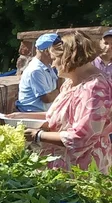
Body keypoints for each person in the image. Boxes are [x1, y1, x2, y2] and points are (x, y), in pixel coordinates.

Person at [13, 31, 112, 173]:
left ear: (68, 58)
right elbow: (59, 117)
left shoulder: (95, 88)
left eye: (54, 59)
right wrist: (19, 117)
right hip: (61, 164)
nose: (53, 65)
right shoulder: (71, 82)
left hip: (82, 168)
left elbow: (82, 137)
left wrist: (38, 136)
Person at [16, 33, 62, 111]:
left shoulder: (48, 66)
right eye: (58, 50)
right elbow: (47, 98)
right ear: (47, 51)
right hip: (32, 115)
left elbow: (58, 88)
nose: (61, 53)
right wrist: (61, 90)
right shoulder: (35, 70)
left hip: (43, 113)